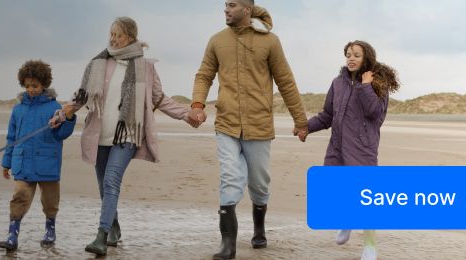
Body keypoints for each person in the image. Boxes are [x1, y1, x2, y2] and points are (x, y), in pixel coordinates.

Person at [63, 16, 199, 256]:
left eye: (118, 35)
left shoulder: (145, 67)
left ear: (131, 38)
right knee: (104, 187)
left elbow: (159, 99)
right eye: (111, 34)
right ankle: (113, 226)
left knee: (111, 180)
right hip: (99, 135)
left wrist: (186, 115)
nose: (113, 39)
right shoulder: (99, 63)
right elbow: (82, 96)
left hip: (126, 135)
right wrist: (62, 112)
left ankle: (101, 236)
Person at [186, 1, 309, 259]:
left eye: (232, 5)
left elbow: (286, 81)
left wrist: (300, 121)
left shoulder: (270, 42)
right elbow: (204, 74)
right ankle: (227, 245)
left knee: (259, 184)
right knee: (230, 178)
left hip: (259, 125)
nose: (226, 9)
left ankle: (259, 226)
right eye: (225, 5)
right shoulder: (217, 40)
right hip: (227, 123)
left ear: (247, 9)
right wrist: (197, 104)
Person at [302, 40, 400, 260]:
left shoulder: (377, 83)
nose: (351, 58)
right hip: (337, 147)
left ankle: (370, 246)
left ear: (367, 58)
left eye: (356, 54)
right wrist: (305, 128)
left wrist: (366, 86)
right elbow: (327, 115)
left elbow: (375, 114)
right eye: (348, 54)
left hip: (363, 148)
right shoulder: (338, 83)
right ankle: (346, 220)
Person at [0, 60, 76, 251]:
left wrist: (69, 118)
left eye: (35, 85)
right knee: (19, 196)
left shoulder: (54, 107)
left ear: (44, 84)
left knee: (50, 201)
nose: (30, 89)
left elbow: (61, 134)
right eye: (27, 86)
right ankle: (12, 235)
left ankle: (50, 229)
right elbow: (11, 138)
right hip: (22, 162)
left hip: (47, 163)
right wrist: (6, 162)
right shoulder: (18, 109)